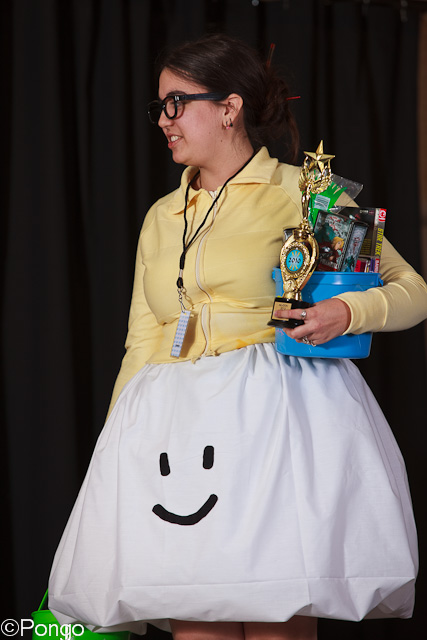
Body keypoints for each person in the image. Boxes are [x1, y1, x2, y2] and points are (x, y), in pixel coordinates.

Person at [48, 34, 427, 640]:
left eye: (177, 103)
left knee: (279, 617)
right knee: (197, 622)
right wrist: (117, 451)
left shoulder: (308, 191)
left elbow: (413, 290)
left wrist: (347, 311)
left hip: (277, 423)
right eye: (159, 107)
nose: (163, 120)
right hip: (176, 426)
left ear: (229, 108)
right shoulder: (161, 216)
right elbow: (143, 339)